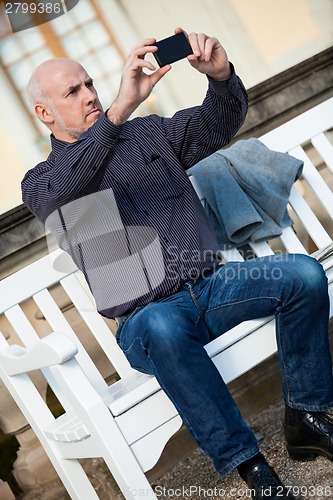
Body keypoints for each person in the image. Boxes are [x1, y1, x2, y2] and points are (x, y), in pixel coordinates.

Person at [21, 28, 333, 500]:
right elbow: (72, 189)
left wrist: (221, 77)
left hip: (212, 288)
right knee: (164, 326)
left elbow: (217, 124)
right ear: (45, 113)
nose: (89, 95)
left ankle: (306, 417)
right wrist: (118, 112)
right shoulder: (43, 181)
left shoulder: (149, 132)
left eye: (89, 84)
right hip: (147, 320)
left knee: (303, 277)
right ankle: (250, 467)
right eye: (73, 91)